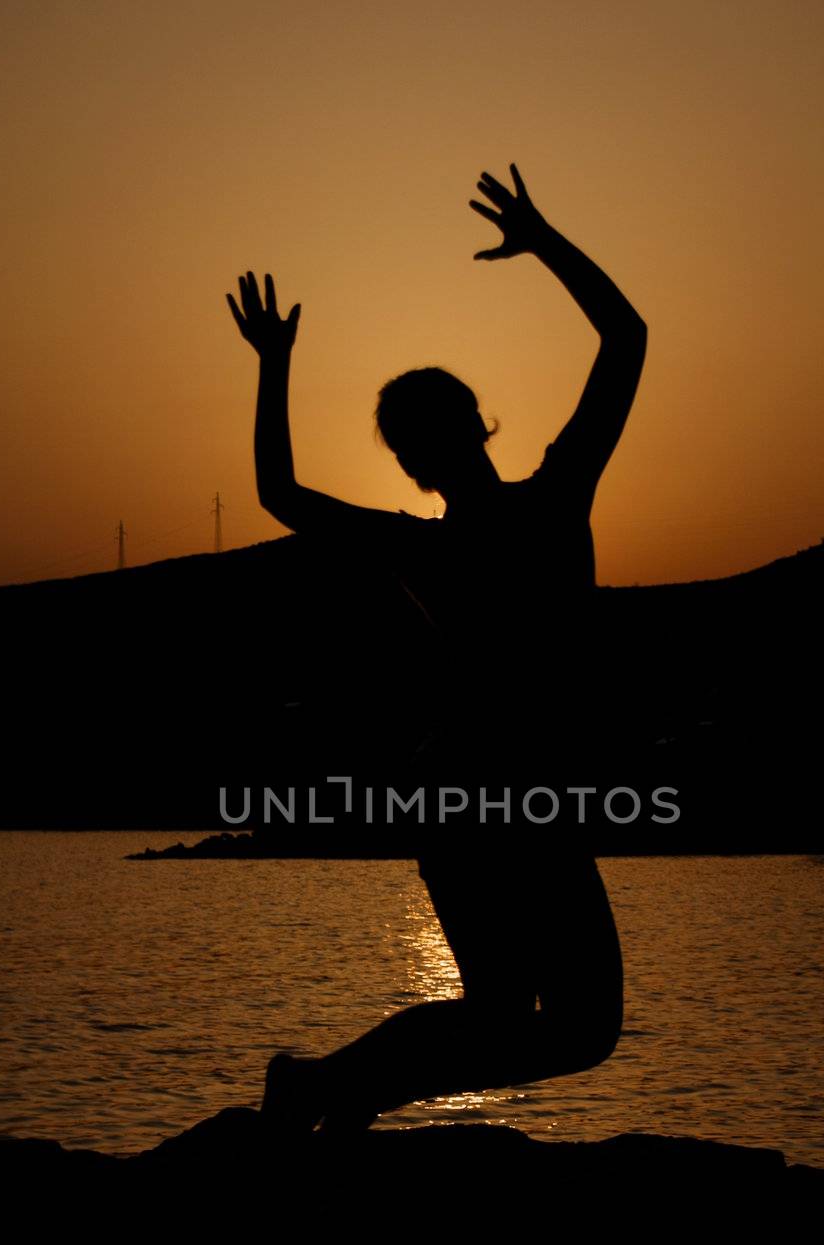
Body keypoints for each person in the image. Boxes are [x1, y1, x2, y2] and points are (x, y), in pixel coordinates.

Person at [227, 164, 647, 1134]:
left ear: (450, 436)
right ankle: (326, 1091)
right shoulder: (536, 507)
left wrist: (274, 362)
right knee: (567, 1027)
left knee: (535, 1020)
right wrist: (542, 243)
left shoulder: (503, 518)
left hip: (483, 794)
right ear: (465, 427)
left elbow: (279, 494)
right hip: (493, 796)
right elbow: (624, 338)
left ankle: (326, 1091)